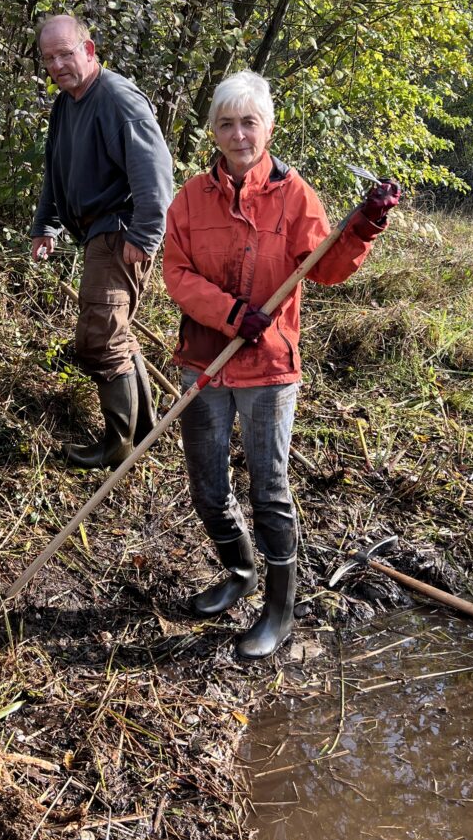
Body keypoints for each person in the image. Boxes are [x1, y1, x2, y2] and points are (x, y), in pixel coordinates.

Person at [163, 71, 400, 659]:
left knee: (269, 490)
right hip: (205, 361)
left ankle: (279, 609)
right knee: (207, 486)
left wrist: (364, 225)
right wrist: (229, 313)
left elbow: (327, 266)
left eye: (250, 122)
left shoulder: (296, 196)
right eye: (227, 123)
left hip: (269, 367)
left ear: (267, 127)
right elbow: (177, 274)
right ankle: (238, 572)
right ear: (213, 131)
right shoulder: (190, 198)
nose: (239, 134)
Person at [31, 15, 173, 468]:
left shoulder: (116, 98)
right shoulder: (65, 105)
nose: (57, 64)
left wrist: (146, 234)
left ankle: (119, 445)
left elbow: (156, 174)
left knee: (99, 340)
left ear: (89, 51)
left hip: (120, 232)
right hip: (95, 233)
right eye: (49, 57)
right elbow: (56, 172)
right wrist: (45, 225)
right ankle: (145, 430)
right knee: (115, 334)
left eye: (66, 53)